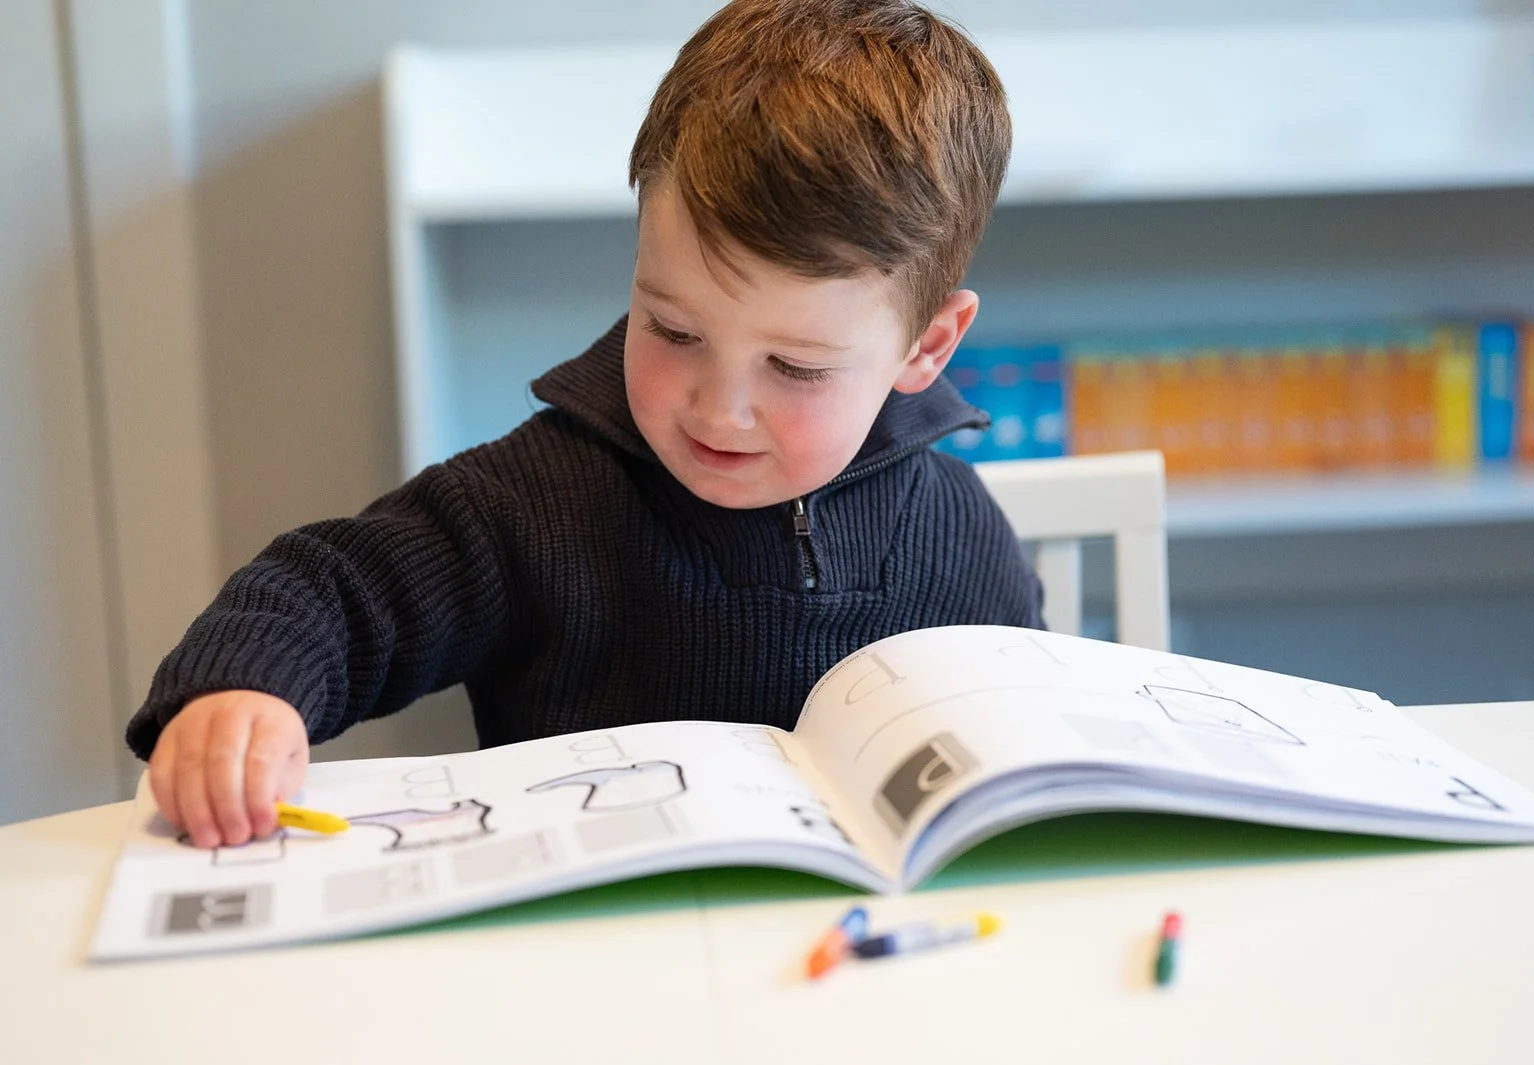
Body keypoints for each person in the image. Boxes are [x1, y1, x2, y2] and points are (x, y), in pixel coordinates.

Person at [127, 0, 1043, 850]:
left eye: (796, 367)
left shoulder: (966, 538)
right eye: (674, 330)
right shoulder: (531, 505)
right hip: (583, 988)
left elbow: (1021, 758)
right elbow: (327, 589)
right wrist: (242, 689)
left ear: (926, 347)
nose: (717, 407)